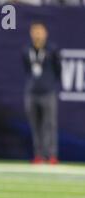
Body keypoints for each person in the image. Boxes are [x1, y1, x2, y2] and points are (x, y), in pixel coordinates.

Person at [23, 22, 62, 165]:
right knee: (35, 125)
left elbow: (58, 70)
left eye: (40, 31)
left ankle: (51, 155)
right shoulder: (26, 50)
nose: (38, 34)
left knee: (50, 125)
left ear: (45, 33)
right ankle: (38, 155)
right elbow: (27, 69)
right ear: (31, 33)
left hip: (48, 92)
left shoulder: (52, 50)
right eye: (35, 31)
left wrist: (50, 84)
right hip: (32, 92)